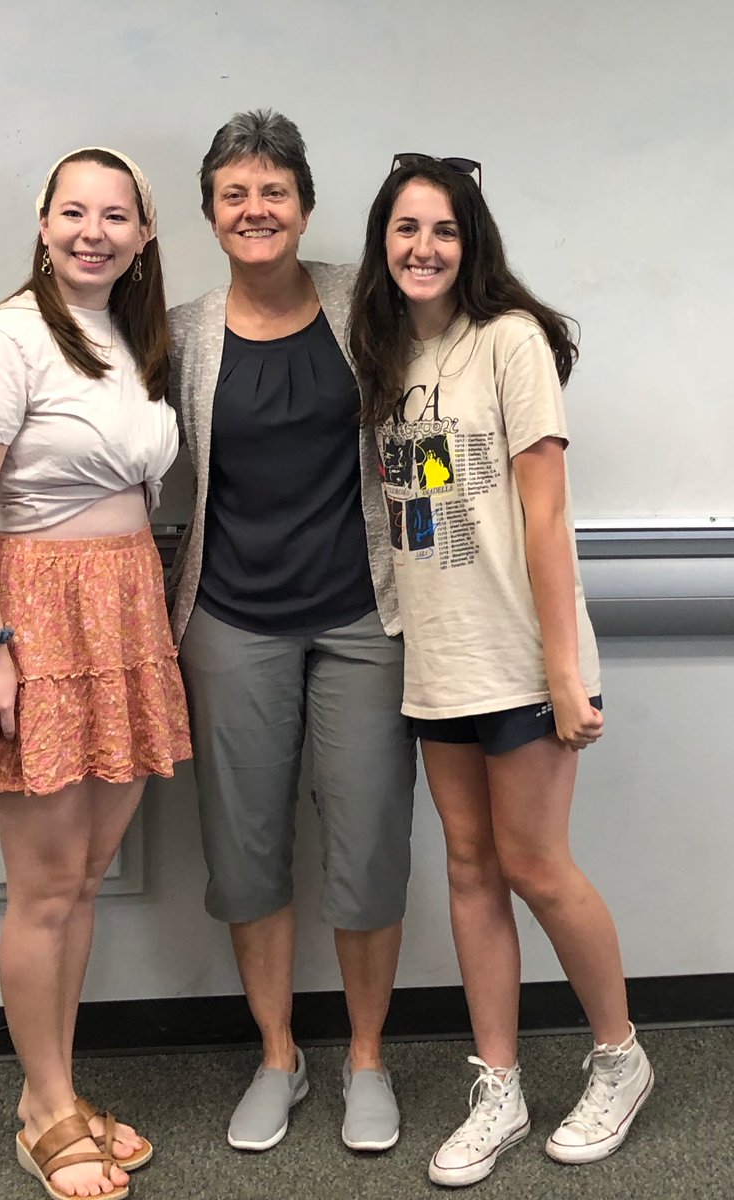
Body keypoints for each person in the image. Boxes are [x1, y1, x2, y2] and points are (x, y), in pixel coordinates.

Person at [349, 153, 654, 1187]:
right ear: (382, 245)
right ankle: (501, 1085)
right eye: (405, 229)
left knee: (536, 866)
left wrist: (564, 671)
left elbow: (543, 509)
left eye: (443, 230)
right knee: (470, 870)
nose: (423, 248)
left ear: (471, 244)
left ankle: (621, 1058)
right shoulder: (385, 357)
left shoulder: (510, 341)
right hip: (440, 658)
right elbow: (406, 520)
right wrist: (405, 629)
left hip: (524, 657)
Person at [0, 146, 190, 1200]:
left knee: (84, 879)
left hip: (125, 608)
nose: (94, 230)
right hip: (34, 618)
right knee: (43, 888)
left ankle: (62, 1087)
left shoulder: (129, 340)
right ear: (42, 223)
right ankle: (42, 1110)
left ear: (142, 235)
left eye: (115, 215)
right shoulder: (2, 339)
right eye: (73, 211)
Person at [168, 110, 417, 1155]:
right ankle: (280, 1054)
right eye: (235, 193)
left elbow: (431, 429)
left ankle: (365, 1055)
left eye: (274, 192)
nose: (256, 209)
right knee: (246, 849)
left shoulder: (368, 303)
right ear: (211, 214)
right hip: (230, 621)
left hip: (365, 616)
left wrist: (440, 525)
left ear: (305, 206)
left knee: (367, 845)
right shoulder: (181, 332)